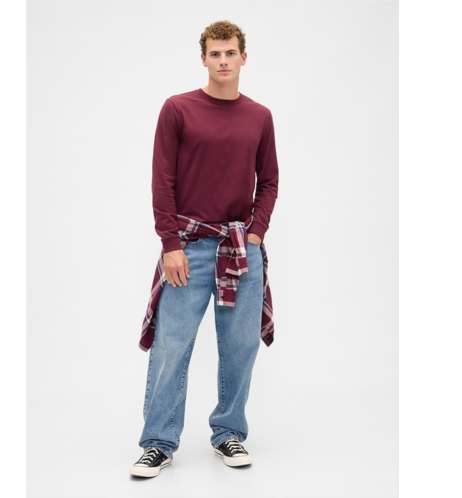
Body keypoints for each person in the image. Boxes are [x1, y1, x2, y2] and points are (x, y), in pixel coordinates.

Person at [130, 20, 279, 478]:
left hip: (240, 248)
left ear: (243, 57)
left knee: (240, 346)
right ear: (203, 59)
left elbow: (269, 181)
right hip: (188, 248)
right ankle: (158, 442)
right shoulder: (178, 109)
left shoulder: (259, 116)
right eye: (215, 53)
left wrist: (255, 234)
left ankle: (229, 433)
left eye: (230, 53)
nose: (223, 60)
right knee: (171, 346)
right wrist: (169, 244)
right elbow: (162, 181)